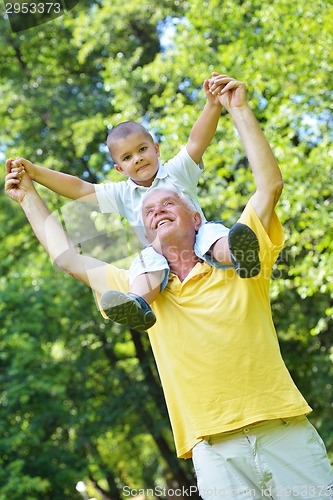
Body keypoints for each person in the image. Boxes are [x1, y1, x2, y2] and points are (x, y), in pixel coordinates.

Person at [6, 77, 333, 498]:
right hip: (212, 449)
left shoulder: (235, 261)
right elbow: (68, 258)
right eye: (149, 211)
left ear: (194, 217)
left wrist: (235, 108)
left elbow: (268, 186)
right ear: (143, 230)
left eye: (169, 204)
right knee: (140, 293)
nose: (157, 208)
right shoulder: (139, 278)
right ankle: (140, 309)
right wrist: (29, 193)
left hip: (283, 428)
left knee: (231, 241)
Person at [9, 73, 260, 332]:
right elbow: (79, 187)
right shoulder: (122, 194)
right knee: (144, 263)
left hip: (197, 239)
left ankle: (240, 255)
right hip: (160, 255)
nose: (138, 159)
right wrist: (36, 173)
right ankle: (138, 305)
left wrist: (212, 104)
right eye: (128, 157)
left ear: (156, 149)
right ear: (119, 168)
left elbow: (197, 140)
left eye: (142, 149)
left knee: (212, 233)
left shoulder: (176, 171)